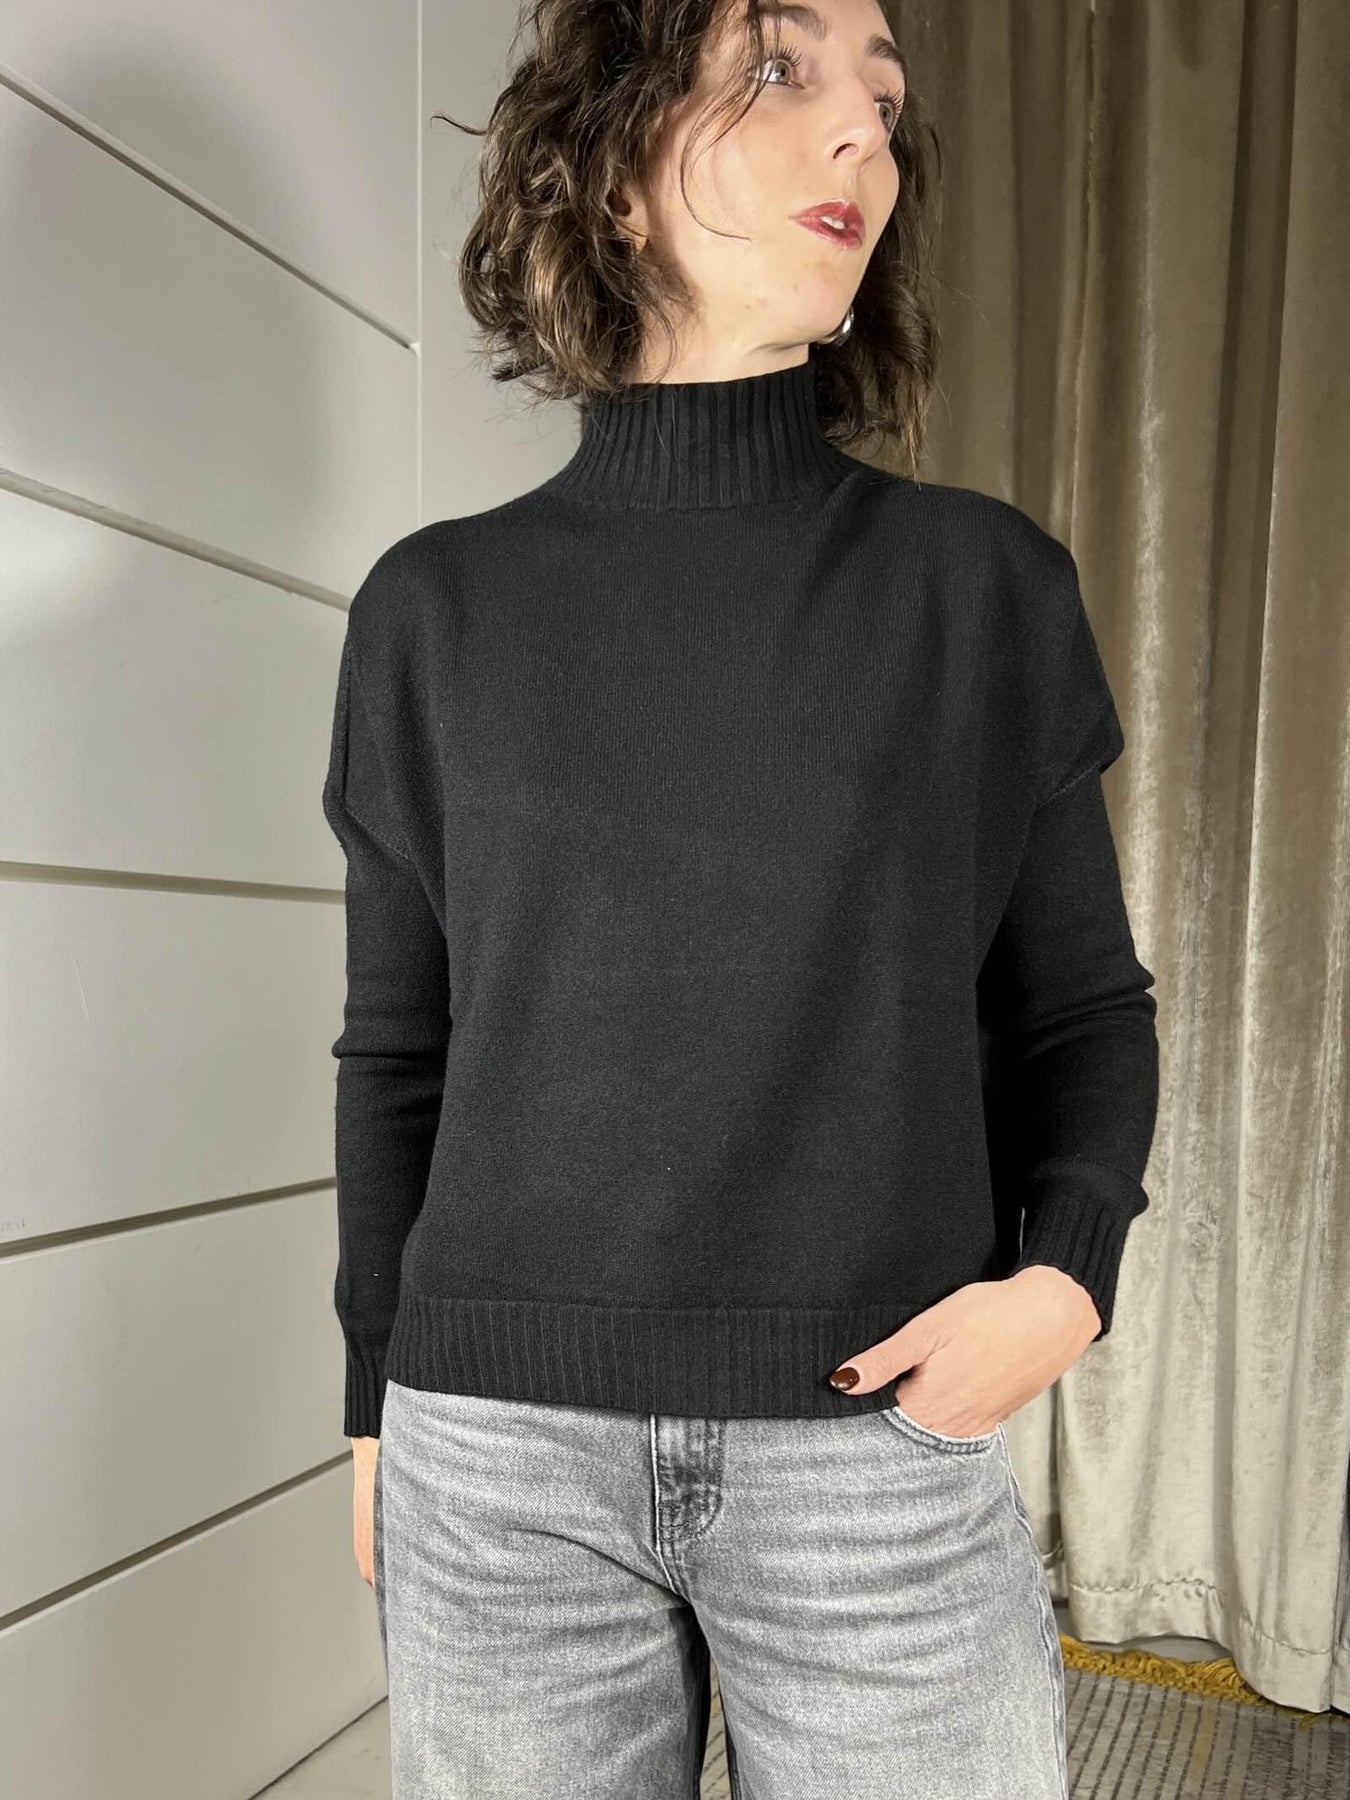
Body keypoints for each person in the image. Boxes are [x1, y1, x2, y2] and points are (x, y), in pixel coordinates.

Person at [320, 1, 1160, 1794]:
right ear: (612, 174)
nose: (862, 127)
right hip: (498, 1464)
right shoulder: (431, 613)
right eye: (781, 68)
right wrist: (373, 1401)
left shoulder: (978, 588)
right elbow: (398, 1053)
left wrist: (1065, 1279)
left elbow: (1082, 1006)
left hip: (869, 1445)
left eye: (882, 94)